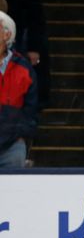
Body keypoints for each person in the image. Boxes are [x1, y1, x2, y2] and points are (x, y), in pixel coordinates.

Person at [0, 10, 36, 168]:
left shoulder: (24, 68)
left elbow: (31, 109)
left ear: (7, 35)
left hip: (12, 148)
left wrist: (20, 134)